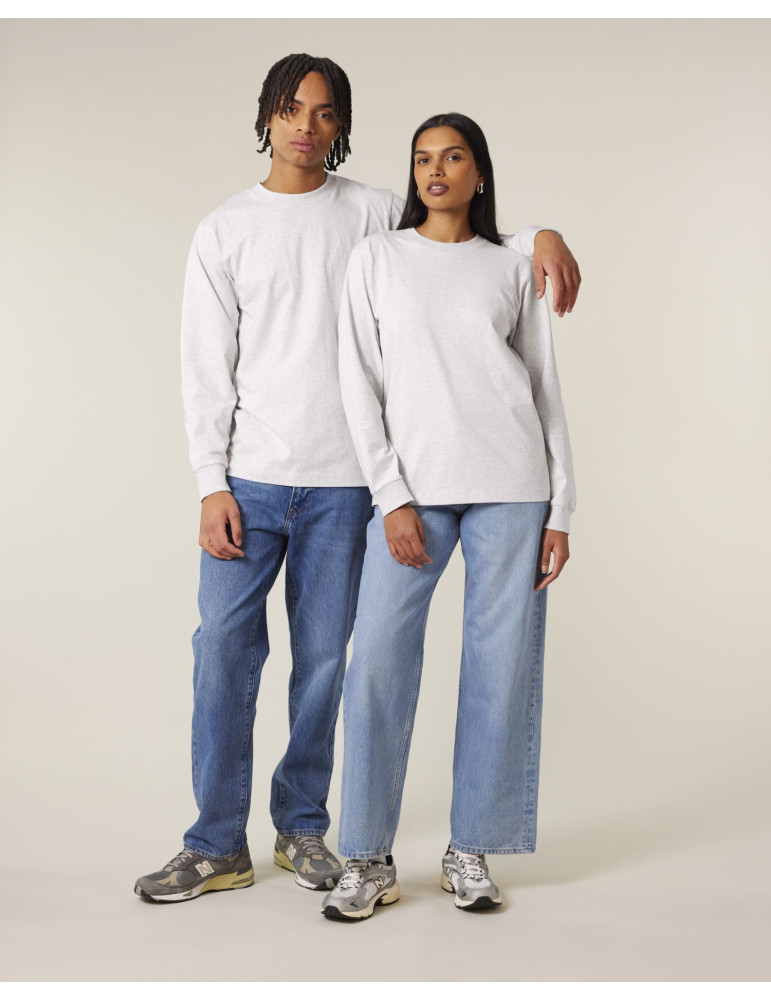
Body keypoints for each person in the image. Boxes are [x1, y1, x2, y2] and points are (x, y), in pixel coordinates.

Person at [133, 55, 581, 904]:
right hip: (250, 479)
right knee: (222, 651)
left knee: (324, 666)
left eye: (324, 112)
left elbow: (466, 236)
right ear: (266, 116)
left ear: (341, 128)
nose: (305, 125)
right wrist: (208, 480)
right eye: (290, 109)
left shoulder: (372, 213)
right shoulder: (223, 229)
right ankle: (216, 842)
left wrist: (541, 236)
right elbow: (203, 367)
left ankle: (304, 827)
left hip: (350, 486)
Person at [322, 112, 576, 920]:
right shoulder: (377, 258)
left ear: (478, 173)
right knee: (377, 665)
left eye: (453, 157)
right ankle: (367, 856)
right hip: (415, 491)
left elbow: (542, 385)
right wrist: (391, 496)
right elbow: (357, 381)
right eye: (422, 159)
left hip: (512, 483)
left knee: (499, 670)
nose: (435, 171)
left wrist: (561, 507)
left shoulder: (509, 266)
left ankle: (470, 849)